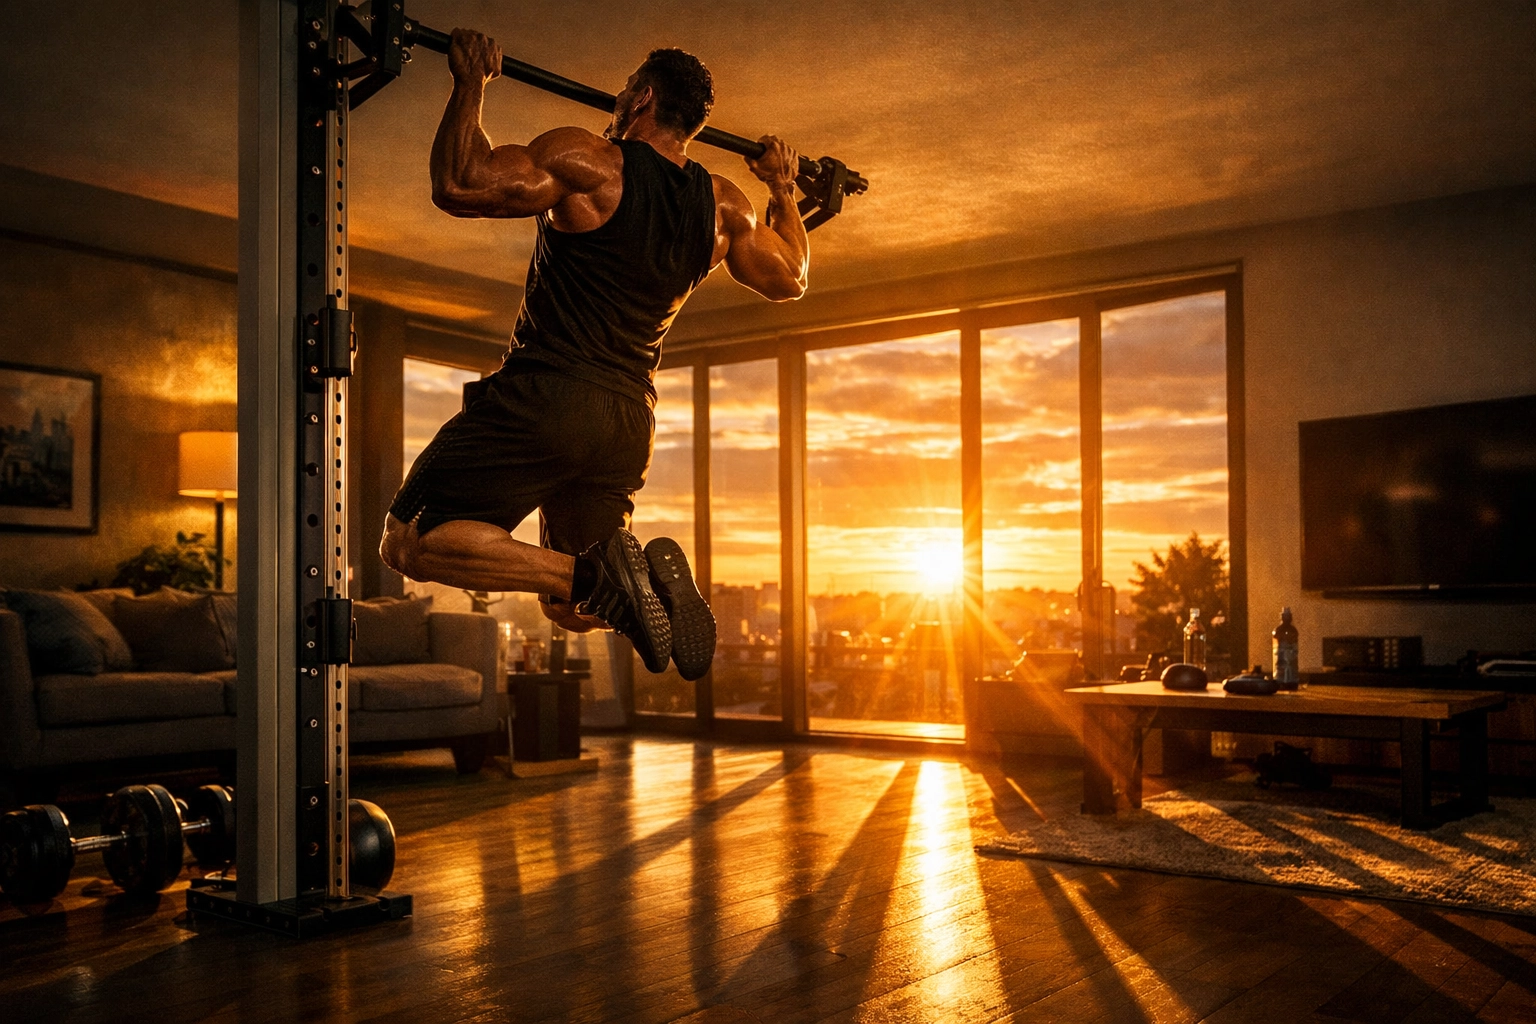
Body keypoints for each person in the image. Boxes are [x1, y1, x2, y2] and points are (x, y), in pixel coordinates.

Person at [379, 29, 809, 683]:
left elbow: (460, 184)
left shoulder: (591, 162)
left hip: (549, 394)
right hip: (627, 423)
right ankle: (624, 585)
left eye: (625, 88)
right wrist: (782, 187)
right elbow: (791, 278)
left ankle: (600, 573)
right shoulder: (724, 206)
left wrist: (471, 83)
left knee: (408, 542)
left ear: (640, 97)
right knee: (569, 609)